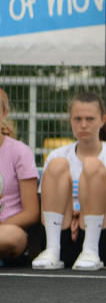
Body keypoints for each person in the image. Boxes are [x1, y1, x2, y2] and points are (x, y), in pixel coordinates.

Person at [32, 92, 106, 271]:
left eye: (90, 119)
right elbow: (45, 208)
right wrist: (73, 215)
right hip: (62, 237)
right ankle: (52, 251)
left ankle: (90, 250)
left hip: (102, 243)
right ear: (70, 120)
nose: (83, 124)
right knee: (57, 164)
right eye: (77, 119)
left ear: (102, 120)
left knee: (92, 166)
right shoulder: (56, 155)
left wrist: (83, 216)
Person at [0, 88, 40, 267]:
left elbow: (31, 212)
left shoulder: (19, 152)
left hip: (7, 231)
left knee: (11, 236)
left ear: (5, 113)